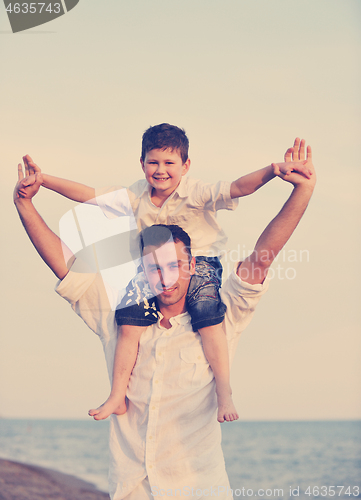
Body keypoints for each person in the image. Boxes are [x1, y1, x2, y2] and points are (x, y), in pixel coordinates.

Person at [14, 139, 316, 500]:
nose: (165, 277)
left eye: (174, 265)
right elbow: (65, 265)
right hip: (132, 490)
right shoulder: (122, 320)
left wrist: (301, 191)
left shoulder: (221, 318)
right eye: (153, 268)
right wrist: (25, 202)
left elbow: (262, 257)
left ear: (192, 264)